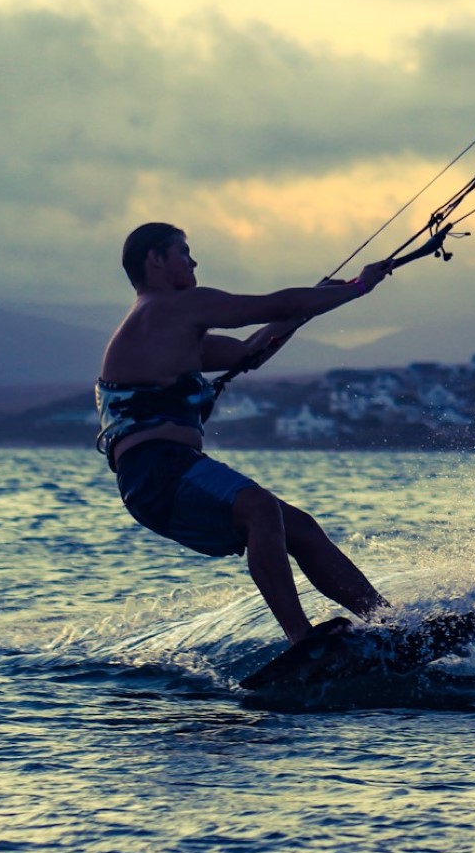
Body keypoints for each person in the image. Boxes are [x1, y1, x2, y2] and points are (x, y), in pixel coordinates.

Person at [96, 222, 393, 645]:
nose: (194, 261)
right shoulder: (170, 307)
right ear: (155, 259)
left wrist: (308, 307)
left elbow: (249, 352)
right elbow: (275, 304)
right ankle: (300, 639)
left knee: (300, 528)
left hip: (162, 480)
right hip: (159, 470)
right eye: (184, 251)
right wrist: (358, 286)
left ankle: (388, 624)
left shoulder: (171, 331)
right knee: (260, 508)